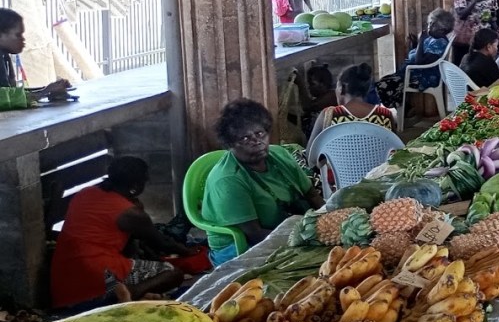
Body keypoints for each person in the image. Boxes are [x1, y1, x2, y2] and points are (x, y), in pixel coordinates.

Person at [50, 156, 202, 308]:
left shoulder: (85, 193)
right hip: (99, 273)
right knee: (173, 274)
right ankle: (131, 293)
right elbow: (163, 242)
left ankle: (128, 292)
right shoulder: (130, 213)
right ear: (135, 186)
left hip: (64, 276)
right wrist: (188, 251)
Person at [202, 99, 320, 265]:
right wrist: (310, 237)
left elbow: (312, 196)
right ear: (230, 144)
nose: (256, 142)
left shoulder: (280, 155)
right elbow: (255, 235)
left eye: (260, 134)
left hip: (286, 230)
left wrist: (327, 221)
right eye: (245, 139)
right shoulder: (228, 181)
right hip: (240, 246)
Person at [307, 63, 397, 148]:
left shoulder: (328, 115)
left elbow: (310, 154)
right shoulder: (384, 115)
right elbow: (396, 150)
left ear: (342, 88)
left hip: (337, 165)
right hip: (379, 164)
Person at [0, 8, 71, 100]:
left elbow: (12, 92)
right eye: (18, 35)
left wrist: (48, 89)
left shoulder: (5, 56)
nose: (23, 39)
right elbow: (4, 99)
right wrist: (44, 92)